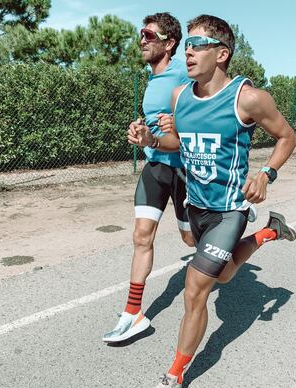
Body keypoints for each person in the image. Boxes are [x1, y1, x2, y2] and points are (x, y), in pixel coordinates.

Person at [128, 14, 296, 388]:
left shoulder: (248, 98)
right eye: (186, 43)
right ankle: (270, 233)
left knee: (196, 288)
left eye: (198, 43)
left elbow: (287, 136)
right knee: (222, 275)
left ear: (221, 54)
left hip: (228, 212)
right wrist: (153, 139)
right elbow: (178, 139)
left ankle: (174, 377)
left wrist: (266, 172)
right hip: (196, 207)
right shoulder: (180, 96)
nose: (188, 50)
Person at [102, 12, 195, 343]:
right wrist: (142, 131)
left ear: (169, 44)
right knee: (142, 236)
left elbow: (212, 106)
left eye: (149, 35)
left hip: (186, 169)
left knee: (192, 242)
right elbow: (157, 123)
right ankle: (133, 314)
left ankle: (261, 231)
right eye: (140, 34)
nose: (142, 40)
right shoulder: (153, 79)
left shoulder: (185, 72)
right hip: (156, 166)